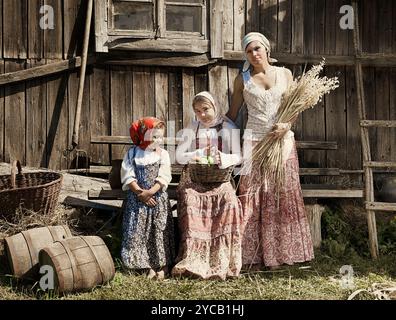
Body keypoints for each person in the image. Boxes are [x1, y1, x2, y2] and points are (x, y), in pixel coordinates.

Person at [226, 32, 314, 270]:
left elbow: (294, 106)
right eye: (249, 51)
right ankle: (253, 255)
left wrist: (287, 125)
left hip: (282, 140)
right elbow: (233, 115)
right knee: (252, 196)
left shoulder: (284, 74)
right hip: (254, 141)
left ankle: (288, 252)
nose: (254, 54)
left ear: (266, 49)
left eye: (257, 48)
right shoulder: (241, 79)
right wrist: (208, 131)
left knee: (283, 193)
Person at [171, 91, 243, 280]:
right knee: (188, 197)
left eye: (205, 109)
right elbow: (178, 156)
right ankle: (193, 258)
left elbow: (239, 156)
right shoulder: (192, 128)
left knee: (229, 200)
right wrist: (194, 154)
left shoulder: (227, 127)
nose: (202, 115)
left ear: (214, 107)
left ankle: (221, 259)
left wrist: (223, 158)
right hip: (195, 179)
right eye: (197, 111)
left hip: (220, 179)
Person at [120, 117, 175, 280]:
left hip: (157, 198)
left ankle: (163, 265)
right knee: (138, 233)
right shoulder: (132, 153)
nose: (158, 140)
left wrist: (150, 192)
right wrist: (140, 193)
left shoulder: (163, 154)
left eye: (160, 137)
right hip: (137, 200)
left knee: (158, 232)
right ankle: (145, 265)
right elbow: (127, 175)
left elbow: (165, 175)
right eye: (154, 137)